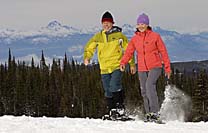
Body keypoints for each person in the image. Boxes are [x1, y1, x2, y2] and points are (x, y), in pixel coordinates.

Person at [83, 11, 136, 118]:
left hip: (117, 65)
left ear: (112, 23)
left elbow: (128, 50)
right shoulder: (98, 37)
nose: (106, 25)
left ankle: (120, 109)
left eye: (108, 22)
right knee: (108, 90)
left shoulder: (119, 36)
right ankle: (112, 111)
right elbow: (89, 48)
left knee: (114, 86)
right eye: (104, 23)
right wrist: (87, 57)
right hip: (104, 68)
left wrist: (131, 64)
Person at [120, 13, 171, 122]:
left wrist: (167, 67)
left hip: (155, 66)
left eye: (143, 23)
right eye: (139, 24)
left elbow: (163, 52)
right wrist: (123, 62)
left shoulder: (155, 36)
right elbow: (129, 52)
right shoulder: (134, 39)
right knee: (144, 90)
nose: (141, 26)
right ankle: (148, 114)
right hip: (142, 68)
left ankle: (155, 112)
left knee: (149, 85)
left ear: (147, 24)